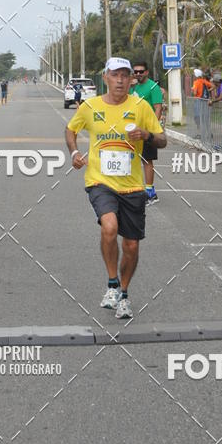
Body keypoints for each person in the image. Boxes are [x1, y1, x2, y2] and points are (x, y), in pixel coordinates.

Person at [65, 57, 166, 320]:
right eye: (115, 75)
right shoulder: (91, 106)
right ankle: (111, 284)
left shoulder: (141, 107)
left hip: (132, 186)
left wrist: (146, 135)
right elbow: (70, 129)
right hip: (100, 181)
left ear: (132, 79)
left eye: (125, 75)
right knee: (109, 226)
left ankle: (123, 292)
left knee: (131, 245)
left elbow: (163, 140)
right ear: (106, 77)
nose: (120, 80)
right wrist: (75, 152)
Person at [129, 61, 164, 205]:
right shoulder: (133, 87)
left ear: (147, 72)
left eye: (141, 71)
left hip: (146, 130)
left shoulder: (153, 87)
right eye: (135, 71)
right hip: (133, 129)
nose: (138, 74)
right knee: (132, 159)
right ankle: (135, 189)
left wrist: (152, 128)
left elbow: (158, 108)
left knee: (147, 160)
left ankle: (150, 192)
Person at [191, 68, 213, 142]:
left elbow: (195, 93)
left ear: (196, 75)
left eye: (194, 74)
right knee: (206, 118)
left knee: (198, 118)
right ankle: (209, 133)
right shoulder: (204, 81)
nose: (193, 75)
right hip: (205, 102)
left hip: (198, 101)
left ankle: (200, 133)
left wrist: (193, 90)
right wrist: (209, 90)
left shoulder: (196, 82)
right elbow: (212, 86)